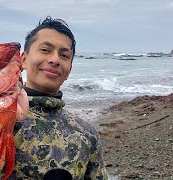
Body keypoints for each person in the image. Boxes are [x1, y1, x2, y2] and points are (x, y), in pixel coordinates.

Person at [11, 16, 108, 180]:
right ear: (24, 60)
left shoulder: (87, 134)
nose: (55, 59)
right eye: (45, 50)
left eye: (64, 55)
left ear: (69, 70)